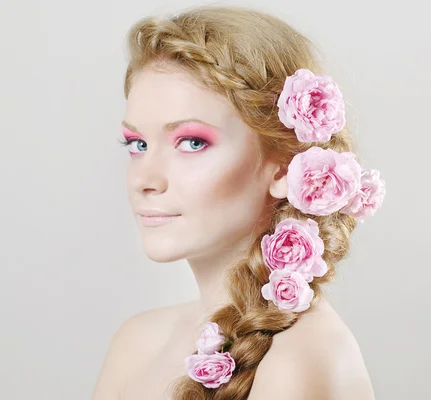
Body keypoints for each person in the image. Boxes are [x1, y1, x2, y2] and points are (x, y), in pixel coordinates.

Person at [92, 5, 385, 400]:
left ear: (284, 166)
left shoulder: (302, 359)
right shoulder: (136, 341)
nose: (145, 180)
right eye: (138, 144)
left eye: (192, 143)